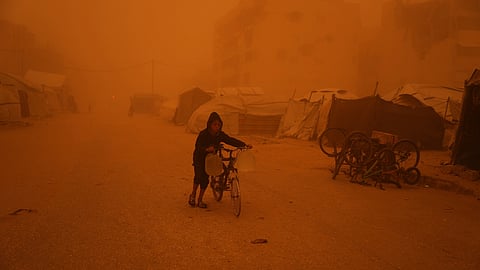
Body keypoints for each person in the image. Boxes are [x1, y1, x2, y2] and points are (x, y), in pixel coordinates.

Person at [189, 112, 252, 208]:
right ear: (210, 124)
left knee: (205, 179)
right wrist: (206, 149)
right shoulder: (203, 134)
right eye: (215, 124)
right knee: (198, 177)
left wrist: (244, 145)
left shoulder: (220, 135)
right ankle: (193, 195)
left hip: (210, 159)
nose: (217, 127)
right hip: (200, 157)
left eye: (219, 125)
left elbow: (230, 140)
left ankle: (200, 200)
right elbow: (198, 148)